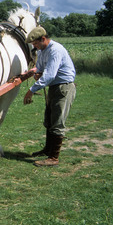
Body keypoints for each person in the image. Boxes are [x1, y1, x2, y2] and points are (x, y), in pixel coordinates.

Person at [23, 26, 76, 167]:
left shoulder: (55, 50)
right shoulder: (42, 51)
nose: (35, 47)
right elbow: (40, 70)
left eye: (36, 43)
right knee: (50, 120)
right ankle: (48, 150)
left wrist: (31, 90)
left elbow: (50, 74)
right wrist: (36, 74)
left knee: (58, 121)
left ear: (43, 39)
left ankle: (54, 158)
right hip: (54, 87)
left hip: (63, 87)